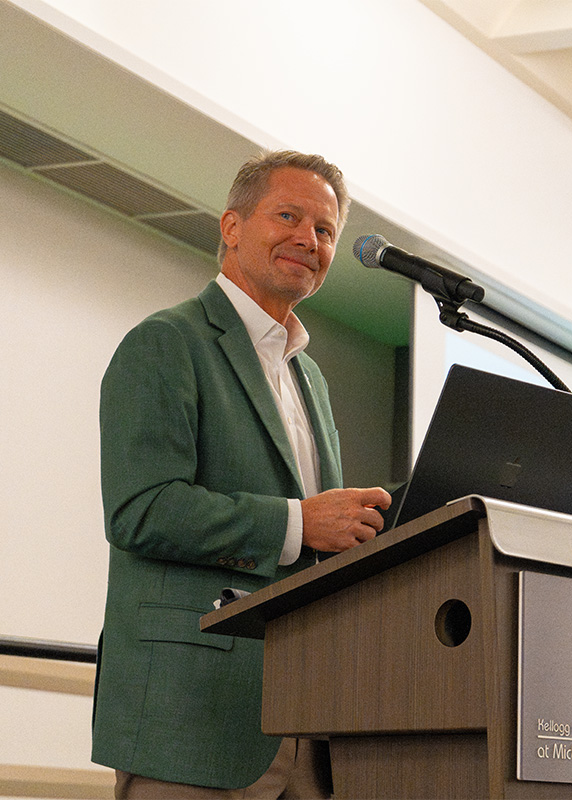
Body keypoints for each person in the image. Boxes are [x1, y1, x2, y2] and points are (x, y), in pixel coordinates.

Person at [91, 150, 391, 798]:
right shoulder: (167, 343)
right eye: (288, 216)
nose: (307, 239)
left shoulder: (307, 374)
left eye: (325, 230)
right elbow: (140, 508)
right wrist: (299, 522)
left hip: (305, 718)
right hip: (191, 718)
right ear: (231, 227)